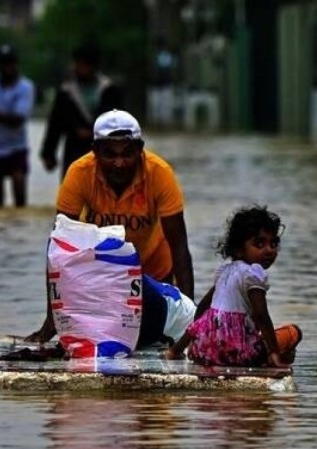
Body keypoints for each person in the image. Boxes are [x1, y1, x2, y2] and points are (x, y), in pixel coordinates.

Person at [28, 109, 194, 343]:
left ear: (140, 149)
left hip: (154, 273)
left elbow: (179, 246)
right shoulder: (79, 173)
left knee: (149, 332)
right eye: (109, 154)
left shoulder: (160, 173)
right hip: (102, 274)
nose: (119, 163)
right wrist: (53, 319)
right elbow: (59, 247)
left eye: (127, 154)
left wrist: (192, 325)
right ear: (95, 151)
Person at [166, 205, 303, 367]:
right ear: (238, 250)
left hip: (204, 351)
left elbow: (201, 311)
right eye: (259, 244)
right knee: (294, 333)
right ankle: (270, 358)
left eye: (273, 244)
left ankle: (175, 351)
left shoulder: (224, 271)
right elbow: (261, 315)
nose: (269, 250)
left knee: (228, 324)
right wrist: (274, 352)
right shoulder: (253, 273)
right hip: (237, 353)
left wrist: (176, 350)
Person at [40, 44, 123, 180]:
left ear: (94, 66)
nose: (79, 68)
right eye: (77, 64)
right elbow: (55, 124)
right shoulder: (66, 92)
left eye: (84, 65)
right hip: (74, 148)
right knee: (73, 185)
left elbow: (119, 123)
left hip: (103, 149)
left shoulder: (109, 91)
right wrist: (48, 154)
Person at [0, 44, 35, 207]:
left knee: (19, 191)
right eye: (3, 63)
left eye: (10, 63)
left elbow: (17, 120)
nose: (7, 67)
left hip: (16, 146)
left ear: (16, 64)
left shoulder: (25, 87)